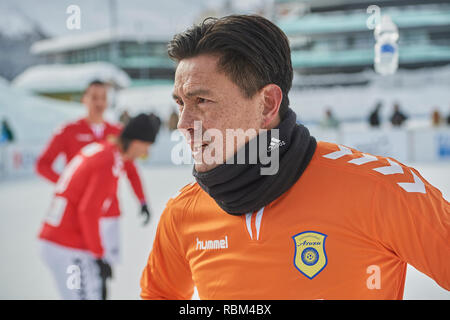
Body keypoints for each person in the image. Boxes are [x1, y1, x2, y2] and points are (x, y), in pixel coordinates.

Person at [140, 15, 449, 300]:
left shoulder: (380, 189)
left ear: (267, 104)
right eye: (181, 103)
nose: (183, 123)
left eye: (202, 100)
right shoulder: (183, 212)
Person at [39, 113, 161, 300]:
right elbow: (88, 212)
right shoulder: (107, 162)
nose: (144, 154)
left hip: (66, 241)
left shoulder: (104, 151)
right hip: (67, 245)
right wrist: (98, 256)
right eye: (146, 148)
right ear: (136, 142)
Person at [36, 80, 152, 268]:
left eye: (103, 98)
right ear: (84, 99)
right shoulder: (69, 130)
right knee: (84, 271)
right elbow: (42, 165)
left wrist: (142, 200)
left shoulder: (117, 132)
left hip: (109, 213)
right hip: (80, 213)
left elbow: (131, 170)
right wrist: (67, 185)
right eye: (94, 97)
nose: (99, 103)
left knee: (106, 271)